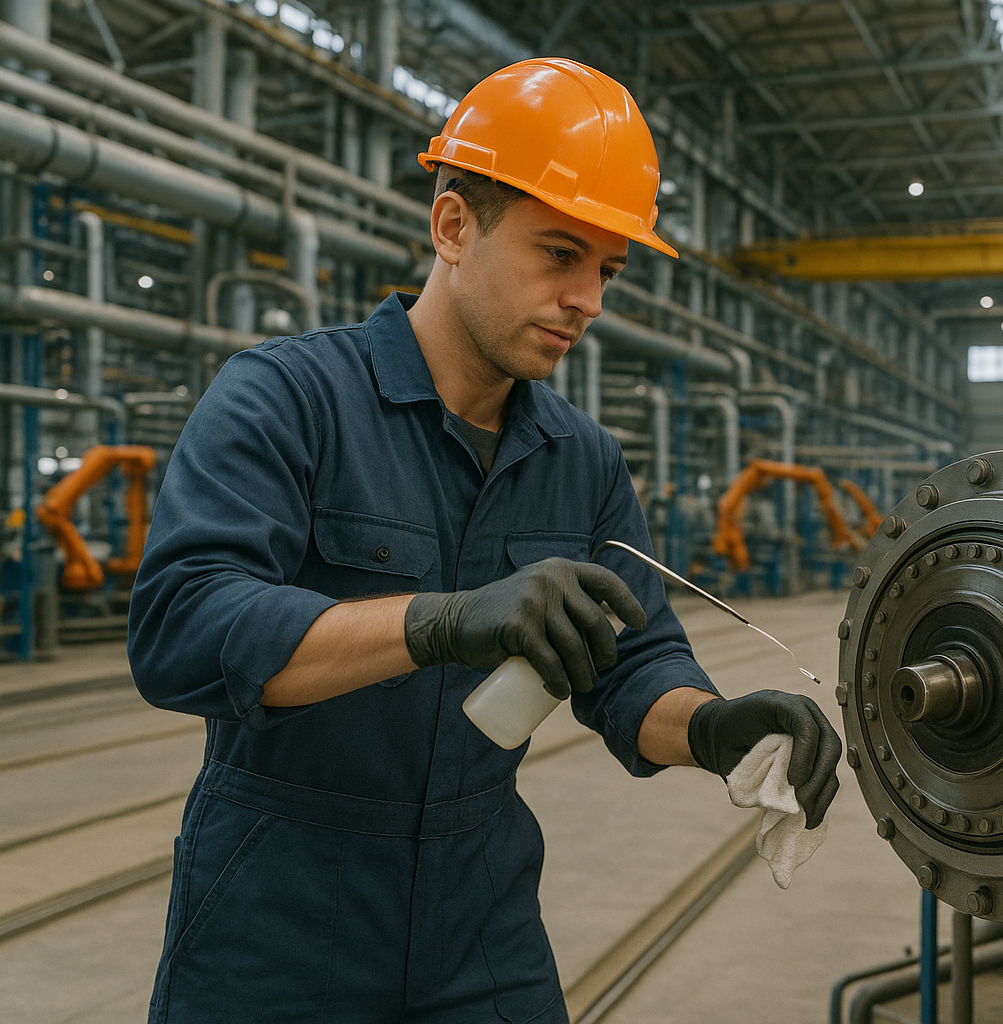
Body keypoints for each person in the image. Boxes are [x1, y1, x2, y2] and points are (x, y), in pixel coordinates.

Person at [128, 57, 841, 1023]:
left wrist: (716, 729)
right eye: (560, 255)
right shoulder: (288, 399)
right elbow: (182, 631)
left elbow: (635, 674)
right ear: (453, 225)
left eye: (607, 271)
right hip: (277, 903)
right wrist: (442, 621)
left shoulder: (581, 461)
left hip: (481, 916)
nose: (588, 299)